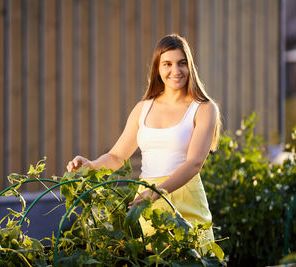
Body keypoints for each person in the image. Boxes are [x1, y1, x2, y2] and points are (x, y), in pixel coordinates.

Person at [67, 33, 221, 241]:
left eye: (181, 63)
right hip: (147, 201)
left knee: (194, 257)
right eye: (167, 64)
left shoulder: (203, 108)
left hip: (184, 197)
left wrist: (158, 191)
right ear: (157, 68)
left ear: (189, 66)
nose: (175, 71)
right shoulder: (143, 108)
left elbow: (194, 163)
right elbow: (117, 157)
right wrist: (90, 165)